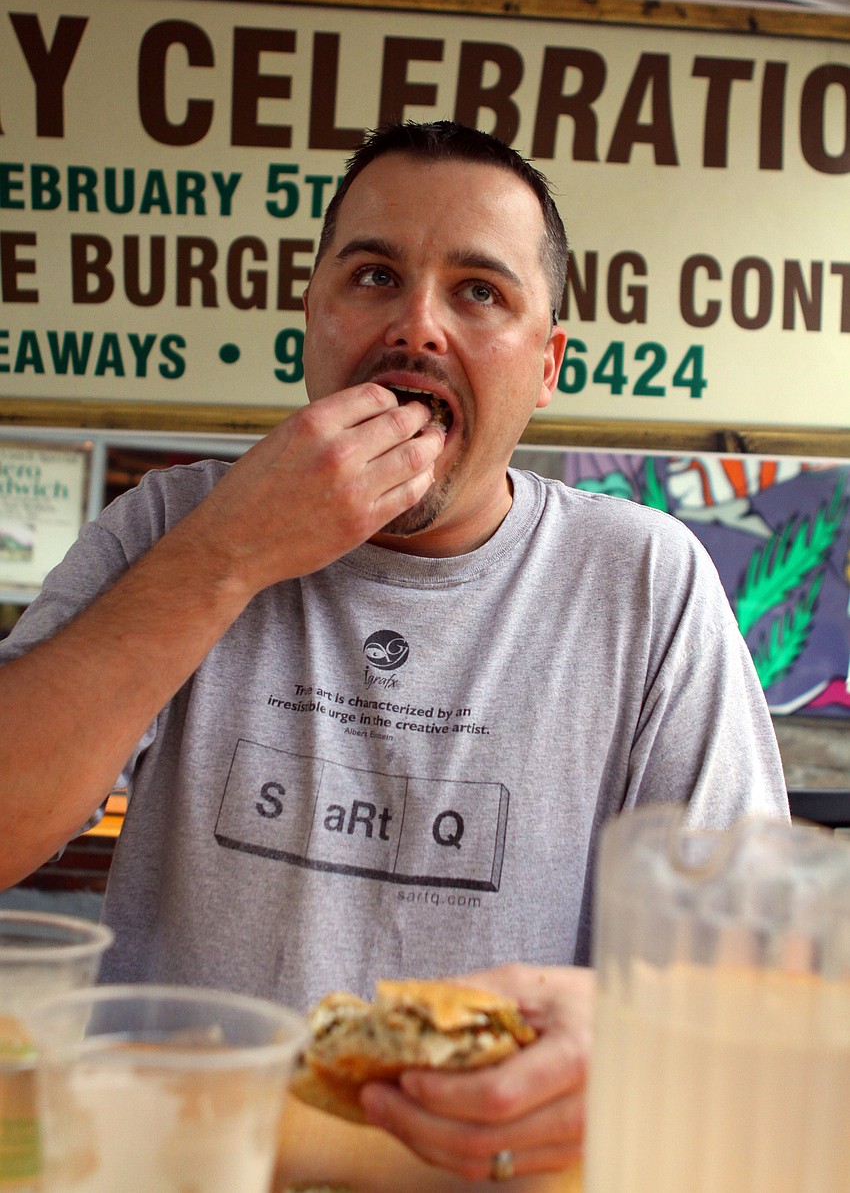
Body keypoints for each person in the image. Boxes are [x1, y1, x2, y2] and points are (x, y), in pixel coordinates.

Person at [0, 121, 787, 1181]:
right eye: (373, 274)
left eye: (479, 293)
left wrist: (644, 1042)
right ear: (313, 319)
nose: (416, 326)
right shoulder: (169, 526)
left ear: (548, 363)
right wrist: (229, 555)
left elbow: (758, 976)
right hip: (193, 1159)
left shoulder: (645, 582)